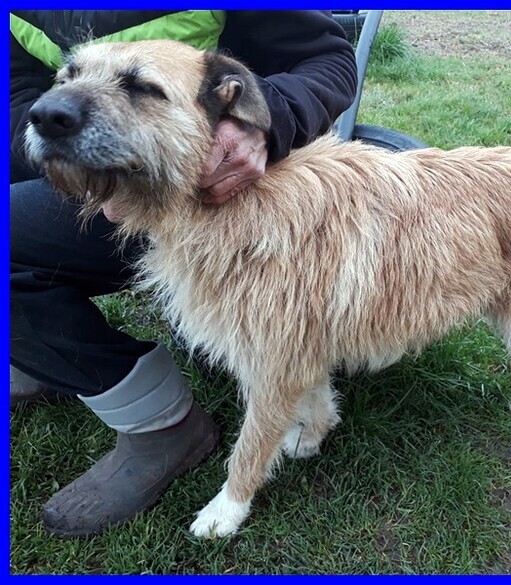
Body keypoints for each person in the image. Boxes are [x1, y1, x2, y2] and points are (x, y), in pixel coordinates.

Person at [10, 10, 357, 537]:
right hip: (111, 188)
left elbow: (329, 58)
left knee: (261, 355)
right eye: (69, 76)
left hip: (241, 182)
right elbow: (21, 102)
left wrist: (268, 124)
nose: (62, 99)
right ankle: (157, 425)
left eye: (140, 86)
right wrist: (82, 171)